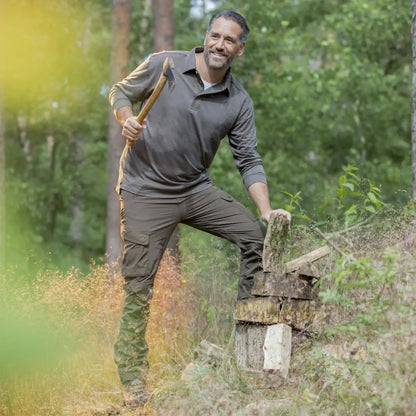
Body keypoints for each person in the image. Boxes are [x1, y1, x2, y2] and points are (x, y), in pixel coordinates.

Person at [109, 10, 291, 408]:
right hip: (145, 191)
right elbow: (119, 92)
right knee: (139, 287)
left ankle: (248, 346)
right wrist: (126, 119)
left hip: (194, 189)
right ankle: (133, 380)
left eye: (229, 40)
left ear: (240, 49)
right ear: (205, 37)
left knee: (256, 240)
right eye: (215, 36)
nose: (219, 45)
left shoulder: (238, 100)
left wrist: (266, 211)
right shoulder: (165, 65)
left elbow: (248, 159)